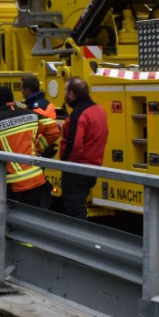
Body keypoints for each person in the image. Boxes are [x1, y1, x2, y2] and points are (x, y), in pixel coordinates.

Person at [0, 86, 60, 207]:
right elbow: (55, 129)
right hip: (37, 180)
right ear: (12, 100)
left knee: (13, 218)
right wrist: (37, 147)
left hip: (14, 187)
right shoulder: (31, 115)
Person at [58, 76, 108, 219]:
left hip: (77, 170)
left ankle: (79, 234)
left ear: (72, 94)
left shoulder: (78, 114)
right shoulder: (99, 110)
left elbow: (74, 144)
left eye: (65, 91)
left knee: (74, 210)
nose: (64, 94)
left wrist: (65, 165)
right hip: (93, 168)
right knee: (79, 206)